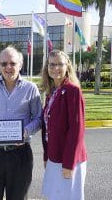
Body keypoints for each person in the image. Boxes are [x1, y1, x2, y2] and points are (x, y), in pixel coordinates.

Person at [0, 45, 42, 200]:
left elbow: (39, 119)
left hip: (20, 154)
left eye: (12, 63)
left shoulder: (30, 88)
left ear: (20, 64)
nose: (8, 67)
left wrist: (25, 132)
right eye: (3, 64)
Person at [40, 50, 87, 200]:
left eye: (60, 64)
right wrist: (47, 156)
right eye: (52, 64)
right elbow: (47, 129)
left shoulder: (73, 91)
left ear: (67, 66)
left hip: (68, 160)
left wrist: (69, 163)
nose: (55, 68)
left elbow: (77, 130)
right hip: (54, 157)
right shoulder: (51, 92)